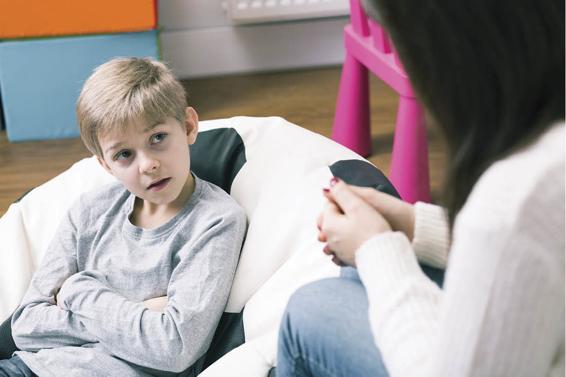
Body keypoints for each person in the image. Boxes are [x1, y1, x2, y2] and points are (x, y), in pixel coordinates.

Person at [277, 0, 565, 375]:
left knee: (309, 309)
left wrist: (376, 247)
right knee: (353, 273)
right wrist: (414, 224)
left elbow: (516, 232)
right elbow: (541, 247)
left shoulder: (513, 198)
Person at [0, 57, 247, 377]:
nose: (147, 165)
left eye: (157, 138)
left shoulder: (215, 221)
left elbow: (174, 347)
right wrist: (144, 312)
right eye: (124, 155)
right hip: (24, 368)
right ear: (105, 165)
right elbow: (26, 326)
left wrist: (78, 292)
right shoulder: (89, 211)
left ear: (188, 126)